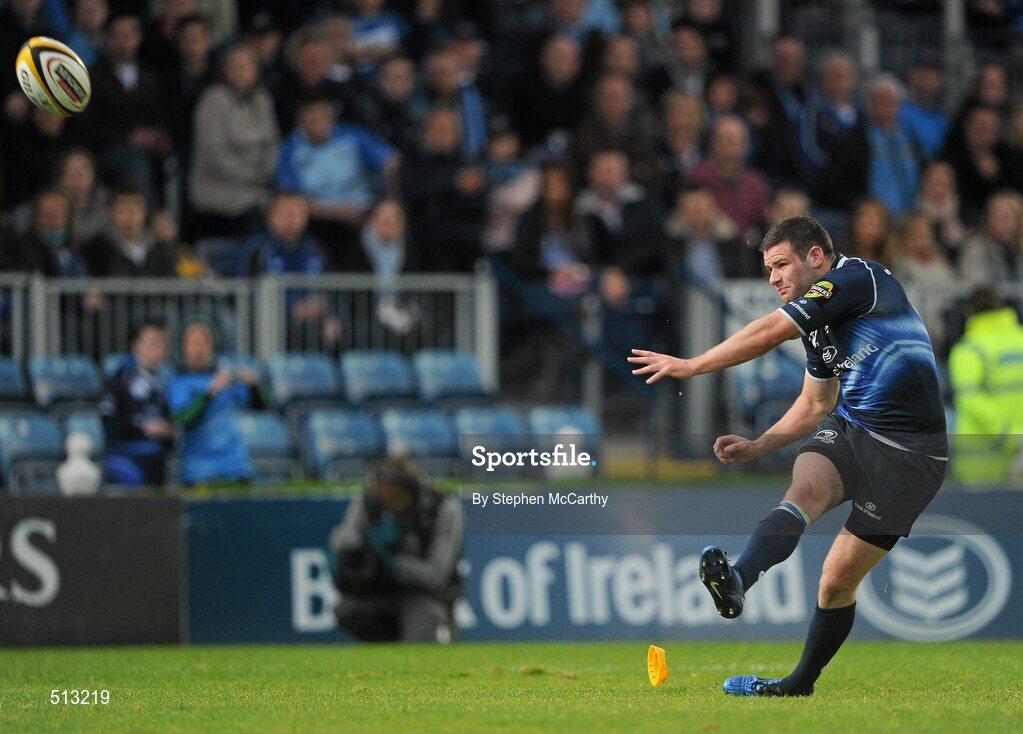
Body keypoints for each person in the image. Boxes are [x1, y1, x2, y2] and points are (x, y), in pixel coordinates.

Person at [629, 215, 947, 697]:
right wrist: (759, 445)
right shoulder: (819, 328)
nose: (774, 278)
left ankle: (799, 684)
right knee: (805, 488)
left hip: (910, 455)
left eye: (781, 265)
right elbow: (816, 405)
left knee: (836, 581)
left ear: (815, 257)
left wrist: (692, 365)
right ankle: (738, 578)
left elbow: (767, 332)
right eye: (769, 269)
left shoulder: (857, 279)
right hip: (854, 427)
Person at [329, 457, 463, 643]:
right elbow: (344, 540)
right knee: (347, 610)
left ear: (411, 491)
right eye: (384, 495)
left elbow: (437, 576)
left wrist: (391, 563)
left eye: (396, 496)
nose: (391, 503)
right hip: (380, 593)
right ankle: (382, 643)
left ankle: (437, 631)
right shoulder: (369, 502)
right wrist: (353, 545)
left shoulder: (443, 507)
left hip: (424, 597)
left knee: (422, 631)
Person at [167, 318, 268, 487]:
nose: (198, 349)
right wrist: (209, 393)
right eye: (193, 343)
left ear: (212, 347)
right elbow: (183, 418)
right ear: (184, 348)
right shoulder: (179, 382)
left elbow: (260, 406)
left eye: (203, 343)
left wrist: (254, 386)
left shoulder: (226, 378)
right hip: (198, 469)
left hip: (234, 466)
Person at [947, 287, 1023, 484]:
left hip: (981, 456)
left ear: (969, 311)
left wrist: (1006, 434)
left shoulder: (969, 349)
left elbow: (969, 398)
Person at [99, 319, 174, 488]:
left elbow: (170, 422)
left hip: (156, 462)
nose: (160, 348)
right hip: (125, 461)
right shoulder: (119, 379)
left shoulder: (165, 383)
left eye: (163, 343)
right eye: (154, 342)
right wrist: (142, 428)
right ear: (136, 346)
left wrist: (169, 432)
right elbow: (108, 421)